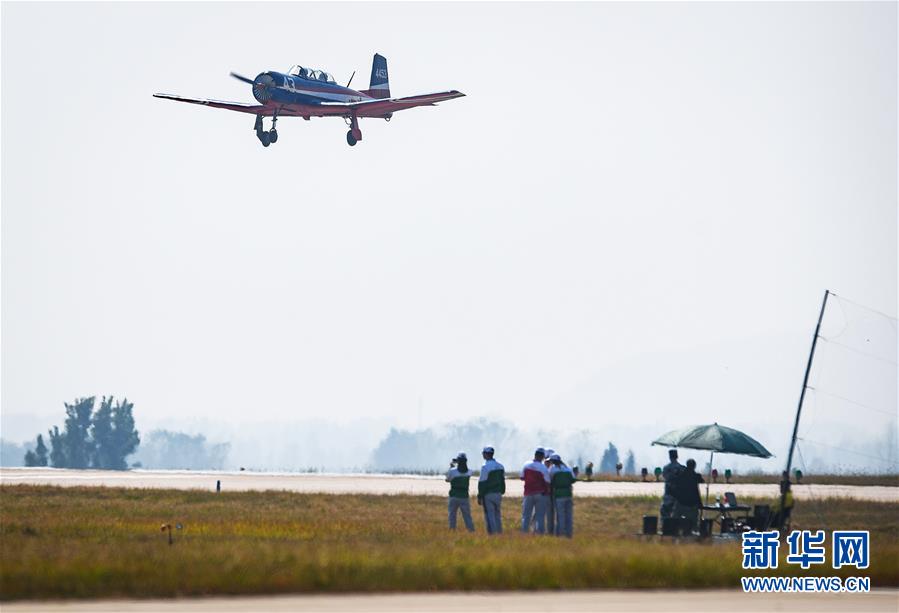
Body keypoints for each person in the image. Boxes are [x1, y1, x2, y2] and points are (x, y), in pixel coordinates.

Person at [520, 447, 551, 534]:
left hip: (528, 493)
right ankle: (539, 533)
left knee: (526, 516)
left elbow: (522, 477)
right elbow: (548, 482)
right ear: (542, 457)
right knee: (540, 516)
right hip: (540, 494)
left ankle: (524, 532)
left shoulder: (526, 465)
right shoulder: (543, 468)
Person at [477, 446, 505, 534]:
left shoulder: (485, 467)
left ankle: (492, 534)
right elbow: (502, 481)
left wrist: (480, 496)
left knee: (490, 515)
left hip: (488, 494)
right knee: (498, 515)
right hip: (498, 493)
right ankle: (499, 532)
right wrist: (502, 491)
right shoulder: (500, 466)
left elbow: (482, 483)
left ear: (486, 454)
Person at [445, 452, 474, 532]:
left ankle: (452, 530)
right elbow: (468, 471)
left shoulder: (452, 471)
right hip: (464, 496)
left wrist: (451, 467)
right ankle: (471, 530)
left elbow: (447, 479)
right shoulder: (469, 472)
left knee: (452, 515)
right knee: (467, 516)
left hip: (454, 496)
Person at [672, 458, 703, 532]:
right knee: (693, 521)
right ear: (694, 466)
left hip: (681, 501)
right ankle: (693, 532)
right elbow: (697, 489)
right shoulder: (695, 476)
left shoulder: (681, 474)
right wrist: (699, 503)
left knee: (675, 520)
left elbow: (675, 485)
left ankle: (674, 531)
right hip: (692, 503)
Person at [549, 454, 575, 537]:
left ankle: (560, 533)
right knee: (569, 516)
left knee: (560, 516)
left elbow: (549, 480)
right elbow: (573, 479)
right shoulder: (568, 469)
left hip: (559, 494)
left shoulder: (553, 469)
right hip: (568, 494)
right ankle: (569, 534)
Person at [660, 449, 684, 519]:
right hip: (678, 494)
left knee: (665, 512)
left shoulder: (666, 468)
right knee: (677, 514)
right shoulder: (681, 468)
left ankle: (665, 527)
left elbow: (665, 477)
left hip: (668, 494)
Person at [543, 448, 556, 530]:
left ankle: (550, 530)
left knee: (550, 514)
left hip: (550, 494)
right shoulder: (544, 468)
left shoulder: (552, 469)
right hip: (544, 494)